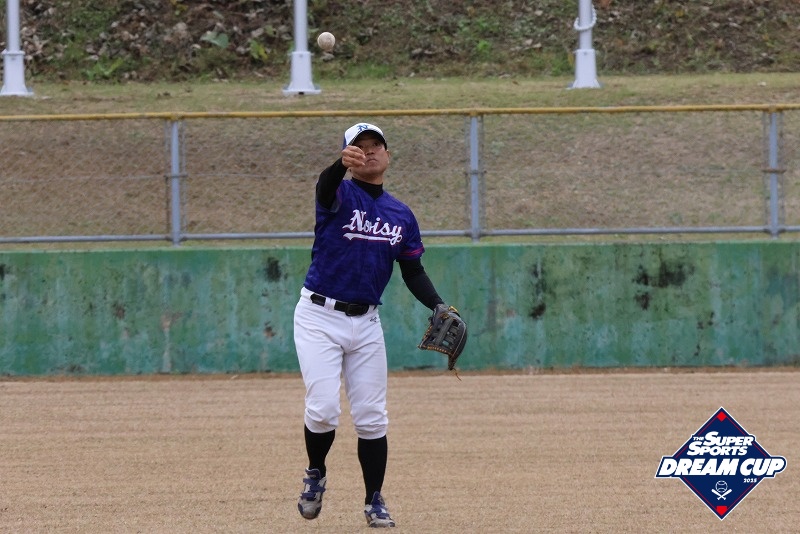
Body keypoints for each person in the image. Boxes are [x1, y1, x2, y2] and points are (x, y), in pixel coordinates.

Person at [294, 123, 451, 528]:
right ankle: (316, 473)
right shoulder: (338, 194)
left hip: (366, 322)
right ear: (349, 155)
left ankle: (374, 500)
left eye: (375, 145)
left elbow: (412, 270)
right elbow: (324, 185)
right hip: (319, 315)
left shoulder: (401, 214)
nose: (368, 151)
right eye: (358, 146)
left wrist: (437, 304)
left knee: (372, 417)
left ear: (387, 154)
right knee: (324, 409)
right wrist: (338, 166)